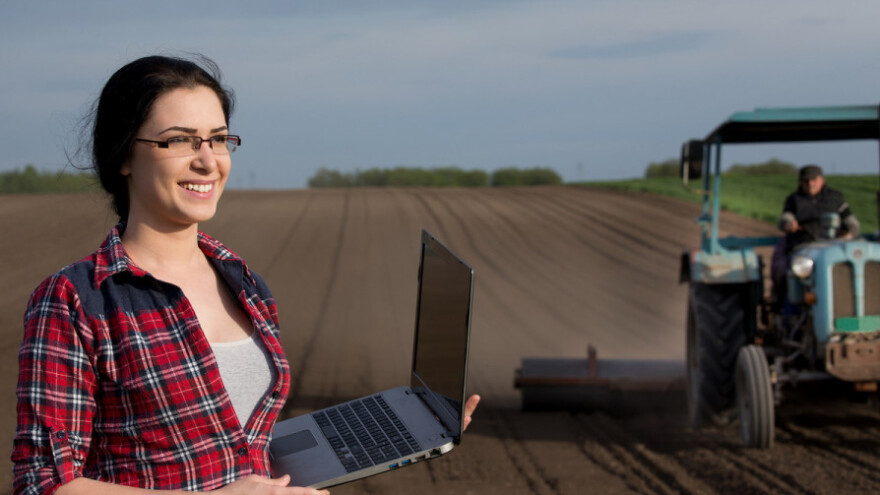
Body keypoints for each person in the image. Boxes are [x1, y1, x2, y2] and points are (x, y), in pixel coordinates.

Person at [12, 54, 480, 494]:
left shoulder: (243, 282)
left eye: (218, 138)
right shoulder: (77, 299)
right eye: (179, 140)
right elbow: (44, 483)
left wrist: (408, 430)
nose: (208, 160)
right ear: (123, 157)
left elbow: (246, 449)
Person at [771, 164, 860, 310]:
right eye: (806, 181)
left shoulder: (835, 197)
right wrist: (789, 224)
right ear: (800, 183)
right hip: (804, 248)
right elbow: (785, 218)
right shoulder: (794, 200)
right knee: (788, 273)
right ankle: (786, 310)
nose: (810, 184)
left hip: (833, 247)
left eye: (814, 180)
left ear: (822, 180)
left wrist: (850, 234)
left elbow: (852, 223)